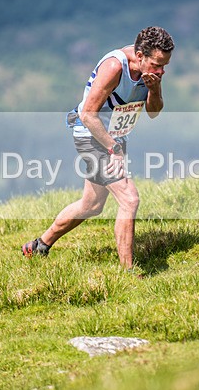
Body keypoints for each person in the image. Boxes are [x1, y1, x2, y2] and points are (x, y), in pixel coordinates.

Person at [21, 26, 174, 271]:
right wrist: (114, 149)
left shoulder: (151, 74)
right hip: (91, 136)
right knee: (129, 199)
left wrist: (154, 87)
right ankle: (129, 272)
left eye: (165, 65)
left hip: (113, 137)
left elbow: (154, 112)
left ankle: (39, 246)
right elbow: (88, 114)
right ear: (139, 55)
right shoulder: (114, 67)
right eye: (157, 64)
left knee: (91, 205)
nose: (161, 70)